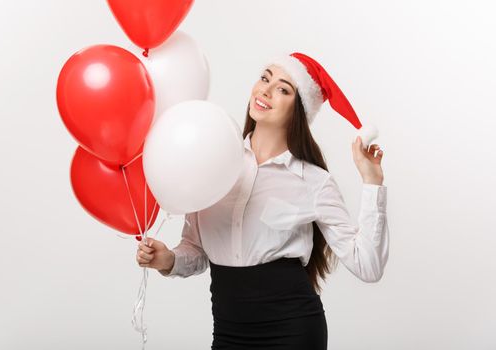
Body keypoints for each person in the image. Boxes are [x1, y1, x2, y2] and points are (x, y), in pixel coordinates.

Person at [136, 52, 389, 349]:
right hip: (229, 331)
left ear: (299, 109)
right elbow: (197, 248)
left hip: (293, 332)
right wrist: (169, 260)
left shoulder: (314, 182)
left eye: (283, 89)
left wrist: (372, 182)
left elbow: (368, 266)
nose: (266, 90)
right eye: (264, 78)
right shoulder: (213, 160)